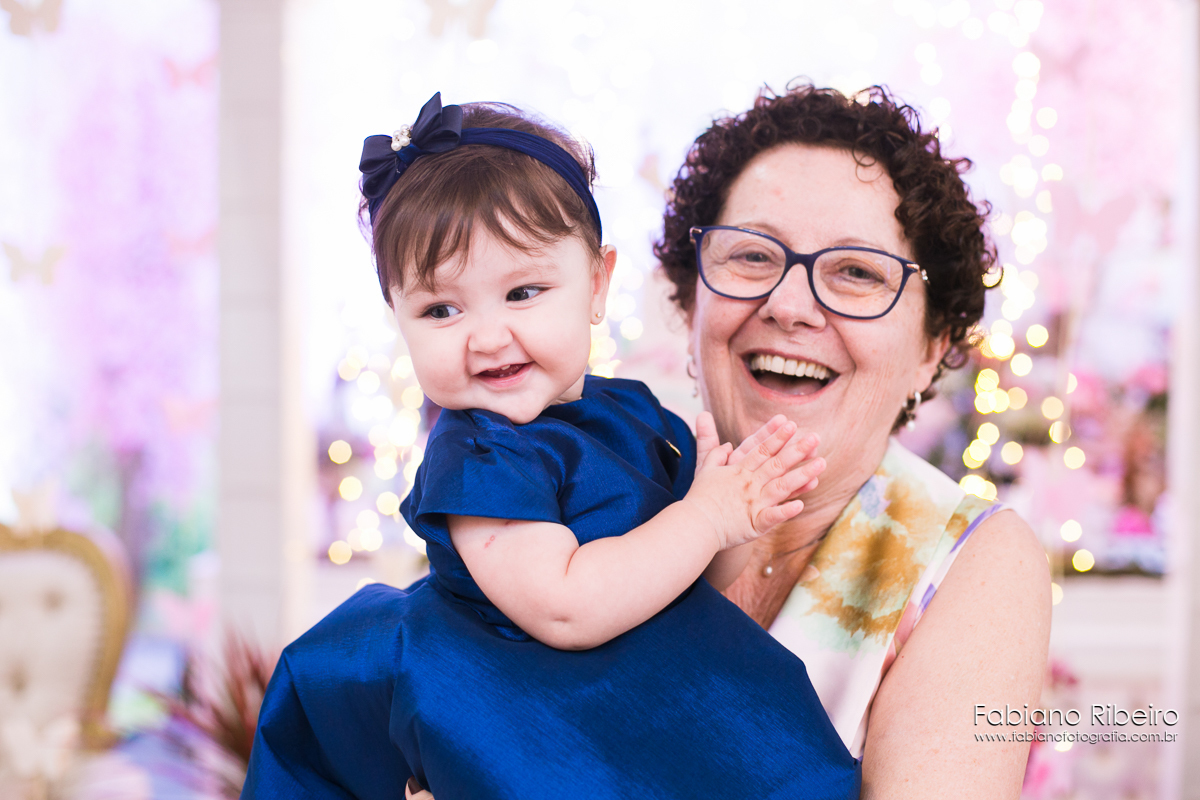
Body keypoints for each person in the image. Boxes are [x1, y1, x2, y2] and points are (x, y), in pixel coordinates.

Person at [407, 83, 1051, 800]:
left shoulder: (971, 562)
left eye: (857, 272)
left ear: (932, 346)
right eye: (751, 257)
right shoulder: (592, 463)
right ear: (691, 301)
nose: (790, 305)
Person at [241, 93, 862, 799]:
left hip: (655, 698)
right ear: (398, 316)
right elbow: (566, 606)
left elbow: (690, 575)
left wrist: (737, 508)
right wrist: (706, 516)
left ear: (597, 285)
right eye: (440, 309)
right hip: (544, 724)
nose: (486, 336)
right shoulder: (481, 455)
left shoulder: (630, 412)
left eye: (523, 292)